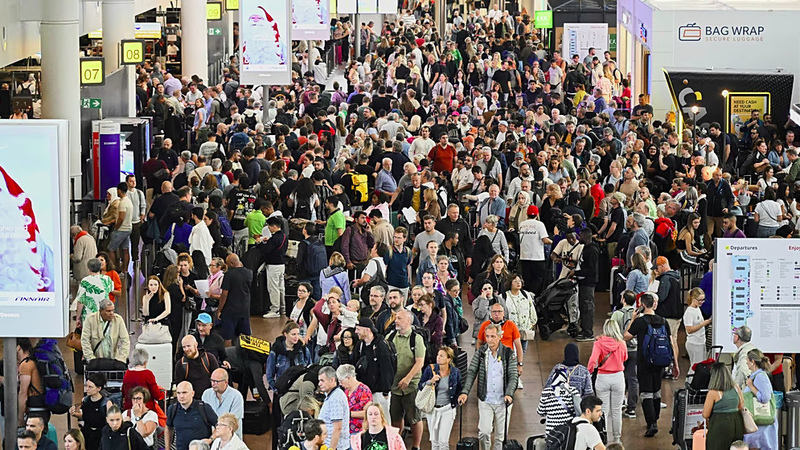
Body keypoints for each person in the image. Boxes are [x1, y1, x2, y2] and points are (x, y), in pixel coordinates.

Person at [624, 293, 680, 437]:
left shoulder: (640, 322)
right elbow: (671, 342)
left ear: (642, 305)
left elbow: (626, 336)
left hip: (645, 362)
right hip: (661, 361)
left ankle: (651, 423)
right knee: (656, 390)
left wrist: (633, 319)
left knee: (646, 392)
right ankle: (655, 417)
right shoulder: (663, 321)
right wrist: (675, 364)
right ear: (654, 304)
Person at [458, 323, 519, 450]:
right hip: (486, 399)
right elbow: (471, 372)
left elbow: (513, 376)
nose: (489, 340)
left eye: (493, 336)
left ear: (500, 337)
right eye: (487, 336)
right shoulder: (481, 352)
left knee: (500, 437)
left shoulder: (509, 353)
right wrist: (465, 392)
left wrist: (509, 394)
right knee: (484, 432)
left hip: (503, 402)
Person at [388, 310, 426, 450]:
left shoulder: (416, 339)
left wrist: (408, 378)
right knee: (396, 417)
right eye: (396, 318)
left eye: (399, 318)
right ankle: (398, 444)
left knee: (414, 418)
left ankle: (416, 446)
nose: (396, 320)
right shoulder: (390, 336)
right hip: (395, 386)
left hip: (411, 386)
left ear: (408, 321)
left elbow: (419, 362)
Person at [587, 320, 628, 444]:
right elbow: (625, 357)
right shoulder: (622, 343)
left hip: (603, 378)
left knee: (603, 410)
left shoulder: (599, 343)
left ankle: (603, 437)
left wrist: (589, 372)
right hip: (618, 377)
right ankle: (617, 439)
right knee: (617, 410)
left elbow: (593, 360)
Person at [418, 347, 462, 450]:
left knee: (443, 442)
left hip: (447, 409)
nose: (438, 357)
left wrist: (460, 397)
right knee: (434, 441)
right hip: (432, 409)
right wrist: (430, 382)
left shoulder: (455, 372)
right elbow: (420, 386)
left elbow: (459, 389)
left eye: (441, 356)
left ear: (449, 359)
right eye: (438, 355)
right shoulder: (430, 369)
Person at [353, 317, 395, 417]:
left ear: (367, 330)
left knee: (382, 418)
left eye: (358, 329)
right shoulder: (360, 345)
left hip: (379, 392)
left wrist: (386, 390)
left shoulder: (381, 346)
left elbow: (387, 369)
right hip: (365, 392)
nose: (356, 332)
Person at [702, 362, 745, 450]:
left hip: (720, 424)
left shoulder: (713, 393)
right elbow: (741, 405)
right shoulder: (736, 387)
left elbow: (705, 414)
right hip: (737, 423)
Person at [742, 349, 779, 449]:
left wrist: (750, 386)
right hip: (760, 425)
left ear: (752, 361)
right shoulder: (758, 375)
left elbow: (765, 397)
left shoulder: (760, 377)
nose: (746, 362)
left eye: (747, 360)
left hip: (761, 426)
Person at [165, 381, 218, 450]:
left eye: (184, 392)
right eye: (178, 393)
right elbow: (168, 428)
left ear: (192, 393)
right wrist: (167, 448)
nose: (181, 396)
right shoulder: (172, 409)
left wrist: (211, 439)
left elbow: (219, 426)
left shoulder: (203, 408)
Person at [610, 291, 639, 418]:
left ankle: (620, 402)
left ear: (623, 300)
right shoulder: (638, 314)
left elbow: (611, 331)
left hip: (620, 350)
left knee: (619, 376)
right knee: (633, 379)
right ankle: (632, 408)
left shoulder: (617, 314)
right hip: (635, 349)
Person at [218, 254, 253, 345]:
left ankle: (229, 353)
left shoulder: (229, 274)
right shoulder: (249, 273)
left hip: (230, 310)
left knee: (228, 336)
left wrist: (220, 310)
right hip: (244, 308)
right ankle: (247, 352)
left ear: (232, 264)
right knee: (246, 336)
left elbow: (224, 294)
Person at [81, 299, 130, 363]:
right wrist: (91, 359)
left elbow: (125, 341)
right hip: (96, 360)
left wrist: (121, 359)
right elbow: (85, 340)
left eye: (113, 310)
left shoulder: (118, 320)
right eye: (108, 311)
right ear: (101, 311)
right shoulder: (90, 319)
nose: (111, 313)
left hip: (113, 359)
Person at [267, 321, 312, 390]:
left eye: (298, 334)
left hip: (300, 388)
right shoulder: (275, 351)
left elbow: (310, 368)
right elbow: (270, 374)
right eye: (293, 334)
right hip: (283, 389)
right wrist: (276, 389)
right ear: (285, 334)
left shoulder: (303, 350)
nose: (296, 337)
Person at [258, 216, 289, 318]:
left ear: (275, 226)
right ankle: (283, 308)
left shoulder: (274, 238)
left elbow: (266, 250)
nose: (269, 229)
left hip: (273, 265)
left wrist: (261, 243)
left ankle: (275, 309)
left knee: (273, 288)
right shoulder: (284, 236)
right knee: (281, 288)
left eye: (270, 227)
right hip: (281, 265)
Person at [202, 368, 245, 438]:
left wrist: (214, 436)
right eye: (212, 380)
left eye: (217, 381)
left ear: (226, 382)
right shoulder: (206, 394)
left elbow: (232, 422)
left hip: (231, 437)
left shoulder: (236, 396)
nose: (213, 384)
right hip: (212, 436)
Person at [574, 227, 600, 341]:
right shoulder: (586, 249)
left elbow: (591, 270)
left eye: (580, 236)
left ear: (585, 236)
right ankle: (584, 328)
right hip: (583, 281)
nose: (578, 238)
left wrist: (576, 273)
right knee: (583, 306)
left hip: (588, 283)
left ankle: (588, 332)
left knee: (587, 306)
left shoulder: (591, 251)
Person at [537, 368, 580, 433]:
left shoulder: (547, 392)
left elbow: (540, 412)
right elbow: (579, 410)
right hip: (568, 432)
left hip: (551, 433)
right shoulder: (573, 391)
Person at [317, 366, 351, 450]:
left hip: (336, 447)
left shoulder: (336, 398)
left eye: (322, 380)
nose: (319, 384)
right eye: (319, 381)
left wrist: (331, 448)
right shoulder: (332, 395)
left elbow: (337, 427)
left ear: (332, 380)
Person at [74, 258, 113, 327]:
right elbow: (110, 290)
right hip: (104, 314)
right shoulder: (107, 279)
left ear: (89, 268)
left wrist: (78, 318)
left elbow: (81, 301)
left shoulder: (85, 281)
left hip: (89, 314)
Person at [336, 364, 373, 435]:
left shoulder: (364, 390)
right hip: (346, 430)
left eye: (341, 381)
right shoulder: (346, 391)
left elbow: (367, 413)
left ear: (348, 378)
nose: (340, 384)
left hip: (359, 431)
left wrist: (349, 414)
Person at [504, 274, 537, 352]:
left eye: (519, 281)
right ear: (510, 283)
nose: (518, 283)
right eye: (515, 281)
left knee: (523, 351)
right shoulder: (504, 296)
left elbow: (531, 309)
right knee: (512, 352)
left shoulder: (526, 295)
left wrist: (532, 323)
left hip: (524, 329)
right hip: (511, 331)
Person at [684, 288, 712, 374]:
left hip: (700, 341)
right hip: (694, 343)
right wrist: (703, 324)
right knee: (695, 366)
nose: (701, 302)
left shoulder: (697, 309)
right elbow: (689, 330)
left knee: (700, 365)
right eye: (699, 300)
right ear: (693, 299)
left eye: (703, 300)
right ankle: (689, 381)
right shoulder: (689, 312)